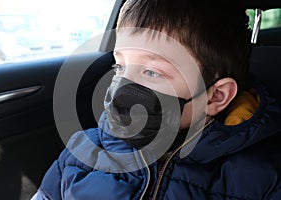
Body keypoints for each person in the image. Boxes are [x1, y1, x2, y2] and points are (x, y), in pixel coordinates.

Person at [32, 0, 281, 199]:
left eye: (152, 72)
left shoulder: (261, 179)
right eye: (120, 66)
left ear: (215, 96)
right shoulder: (82, 152)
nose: (121, 90)